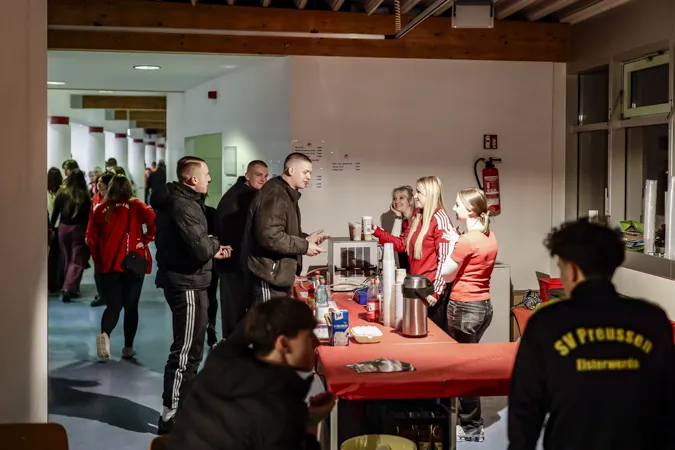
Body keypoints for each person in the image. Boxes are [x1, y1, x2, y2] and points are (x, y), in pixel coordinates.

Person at [507, 219, 675, 450]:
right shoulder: (652, 320)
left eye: (561, 268)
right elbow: (668, 401)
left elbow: (525, 405)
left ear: (572, 270)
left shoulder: (547, 322)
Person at [164, 296, 335, 450]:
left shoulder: (223, 361)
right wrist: (310, 425)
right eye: (308, 337)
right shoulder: (276, 405)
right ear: (283, 344)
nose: (316, 343)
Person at [152, 156, 232, 434]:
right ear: (193, 179)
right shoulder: (183, 205)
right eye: (206, 174)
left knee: (193, 350)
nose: (209, 178)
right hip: (186, 284)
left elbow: (195, 245)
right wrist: (214, 244)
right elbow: (200, 248)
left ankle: (183, 410)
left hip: (192, 281)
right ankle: (170, 415)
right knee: (185, 351)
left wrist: (210, 248)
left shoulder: (186, 202)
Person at [442, 188, 498, 442]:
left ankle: (472, 427)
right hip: (483, 307)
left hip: (464, 309)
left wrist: (452, 245)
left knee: (465, 370)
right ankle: (468, 423)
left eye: (458, 205)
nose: (454, 208)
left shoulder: (466, 241)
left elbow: (447, 275)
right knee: (470, 365)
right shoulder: (489, 236)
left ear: (471, 211)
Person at [372, 176, 459, 330]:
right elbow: (401, 244)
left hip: (432, 293)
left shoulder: (440, 219)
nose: (416, 196)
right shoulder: (418, 217)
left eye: (419, 192)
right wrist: (377, 231)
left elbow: (445, 261)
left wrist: (436, 292)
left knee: (433, 336)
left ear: (430, 195)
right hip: (416, 287)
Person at [87, 175, 156, 362]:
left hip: (108, 264)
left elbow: (91, 237)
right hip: (132, 263)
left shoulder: (100, 209)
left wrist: (99, 258)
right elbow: (154, 221)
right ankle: (128, 347)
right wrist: (145, 240)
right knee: (131, 307)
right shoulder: (136, 206)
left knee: (113, 306)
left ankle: (104, 336)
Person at [242, 153, 326, 304]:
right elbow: (270, 236)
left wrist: (305, 239)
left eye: (310, 173)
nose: (309, 177)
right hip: (268, 276)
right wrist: (304, 246)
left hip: (277, 277)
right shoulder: (276, 193)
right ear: (291, 170)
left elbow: (281, 230)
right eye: (305, 172)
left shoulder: (285, 192)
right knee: (269, 319)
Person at [215, 160, 269, 339]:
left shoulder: (245, 194)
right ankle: (233, 348)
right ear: (247, 175)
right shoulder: (239, 198)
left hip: (237, 263)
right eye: (258, 175)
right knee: (235, 312)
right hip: (234, 264)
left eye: (265, 176)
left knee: (237, 311)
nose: (263, 179)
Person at [51, 169, 91, 303]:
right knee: (77, 259)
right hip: (79, 229)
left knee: (66, 257)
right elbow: (88, 217)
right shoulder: (84, 195)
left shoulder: (62, 193)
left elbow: (55, 212)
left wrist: (51, 227)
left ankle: (67, 286)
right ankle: (69, 287)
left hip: (63, 228)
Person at [88, 171, 115, 307]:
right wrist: (88, 234)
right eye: (97, 182)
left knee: (110, 269)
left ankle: (110, 294)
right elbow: (91, 218)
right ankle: (102, 294)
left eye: (101, 182)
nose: (98, 184)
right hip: (97, 238)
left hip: (111, 238)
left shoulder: (115, 200)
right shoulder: (96, 197)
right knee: (98, 268)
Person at [389, 185, 416, 272]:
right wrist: (398, 216)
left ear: (410, 200)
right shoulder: (403, 222)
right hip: (406, 270)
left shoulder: (417, 219)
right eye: (394, 198)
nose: (397, 201)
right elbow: (393, 243)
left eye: (401, 198)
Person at [47, 167, 64, 294]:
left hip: (47, 226)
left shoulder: (44, 191)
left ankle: (50, 282)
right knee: (59, 256)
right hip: (59, 226)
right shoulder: (63, 192)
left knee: (50, 257)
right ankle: (58, 282)